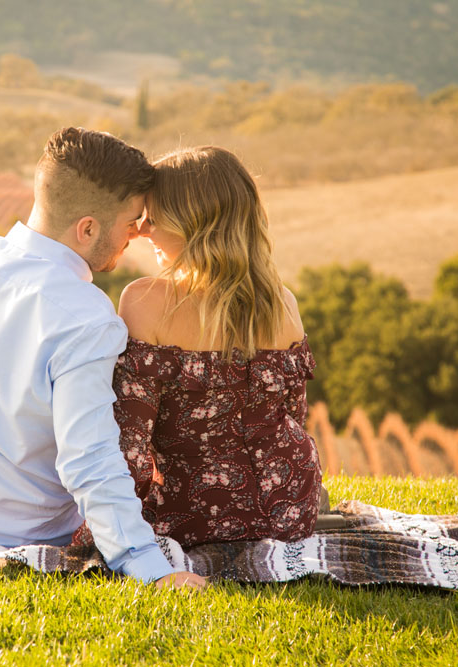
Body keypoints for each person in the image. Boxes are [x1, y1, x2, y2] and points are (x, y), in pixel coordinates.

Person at [0, 127, 206, 590]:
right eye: (130, 222)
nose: (135, 235)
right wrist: (150, 567)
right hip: (20, 531)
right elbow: (88, 458)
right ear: (88, 228)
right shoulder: (88, 319)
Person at [73, 146, 325, 550]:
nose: (142, 231)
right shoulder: (284, 302)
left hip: (193, 511)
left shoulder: (145, 300)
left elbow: (131, 447)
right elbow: (294, 419)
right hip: (292, 504)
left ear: (194, 223)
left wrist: (98, 534)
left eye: (154, 218)